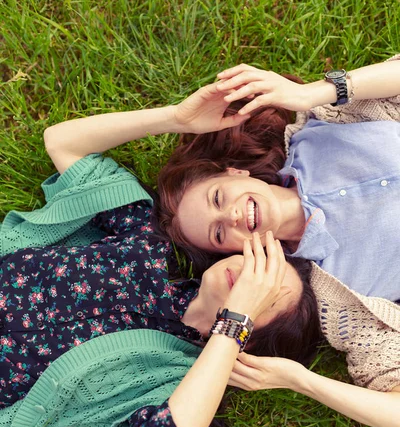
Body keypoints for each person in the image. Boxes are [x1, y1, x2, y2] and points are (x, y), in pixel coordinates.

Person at [0, 135, 320, 427]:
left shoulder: (174, 380)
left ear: (251, 342)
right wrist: (178, 118)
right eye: (262, 266)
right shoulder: (150, 244)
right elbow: (66, 144)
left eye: (265, 294)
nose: (249, 278)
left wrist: (232, 325)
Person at [156, 55, 400, 301]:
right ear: (235, 252)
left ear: (235, 172)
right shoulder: (336, 291)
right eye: (218, 234)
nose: (231, 216)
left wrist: (310, 94)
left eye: (218, 198)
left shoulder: (312, 135)